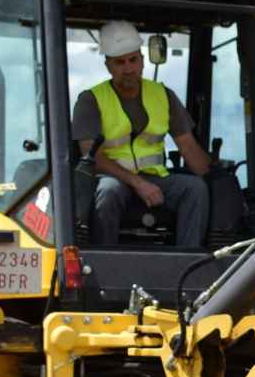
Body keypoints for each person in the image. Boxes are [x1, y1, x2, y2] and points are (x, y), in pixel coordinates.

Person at [72, 20, 211, 247]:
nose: (128, 68)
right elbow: (92, 159)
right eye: (120, 62)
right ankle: (105, 261)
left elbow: (187, 146)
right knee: (109, 191)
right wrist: (138, 183)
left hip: (156, 178)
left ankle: (187, 262)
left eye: (133, 60)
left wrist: (214, 177)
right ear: (108, 66)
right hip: (112, 178)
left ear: (142, 60)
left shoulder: (163, 95)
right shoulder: (91, 100)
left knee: (195, 189)